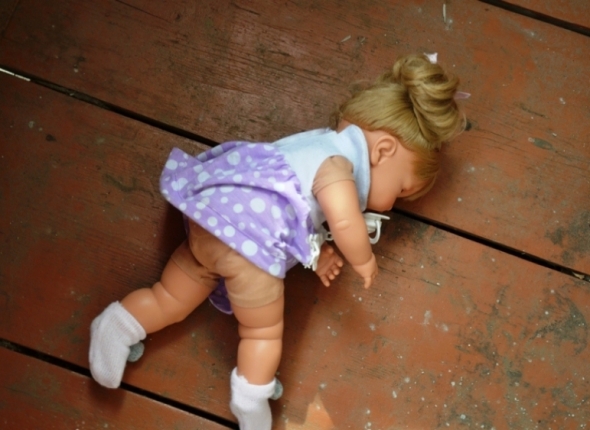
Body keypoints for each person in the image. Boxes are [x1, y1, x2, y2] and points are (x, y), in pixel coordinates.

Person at [89, 53, 464, 430]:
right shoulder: (338, 164)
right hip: (248, 241)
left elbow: (293, 211)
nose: (393, 204)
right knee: (261, 333)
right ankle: (251, 396)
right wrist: (363, 258)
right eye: (402, 189)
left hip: (213, 221)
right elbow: (344, 219)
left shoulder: (315, 144)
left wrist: (317, 254)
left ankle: (119, 325)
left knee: (169, 296)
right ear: (383, 151)